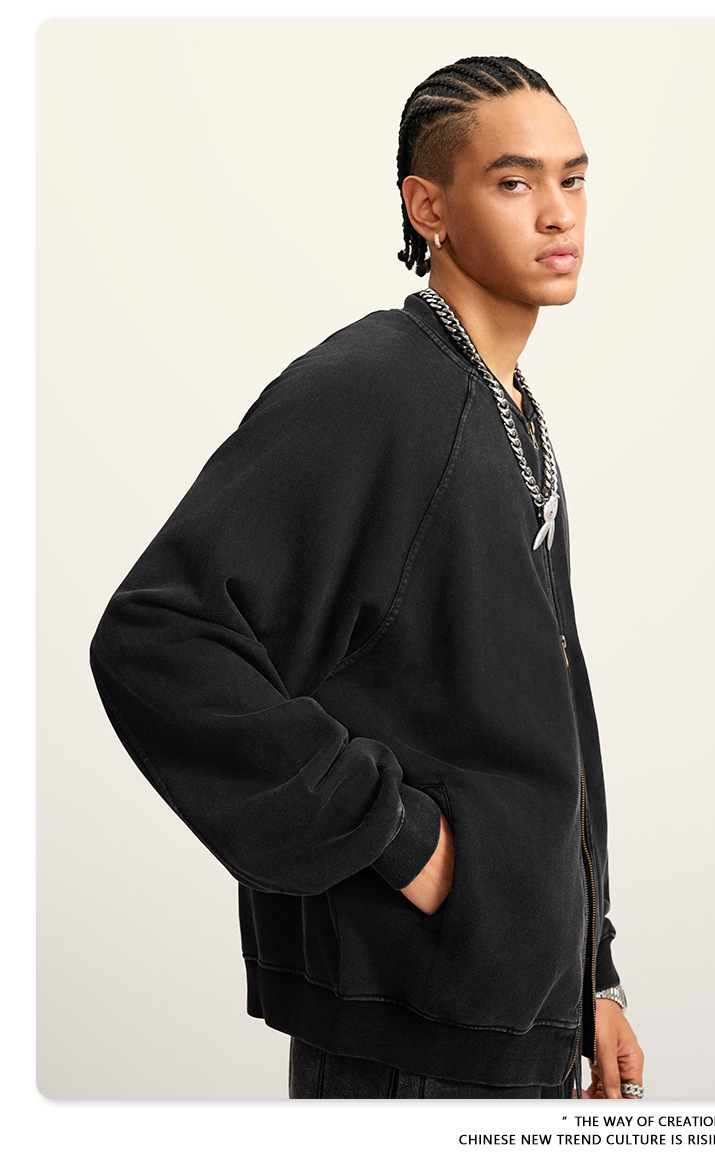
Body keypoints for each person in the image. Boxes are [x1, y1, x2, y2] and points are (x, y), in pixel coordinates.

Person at [89, 55, 644, 1100]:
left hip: (512, 1015)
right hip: (412, 1041)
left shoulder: (506, 407)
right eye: (514, 181)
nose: (558, 212)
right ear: (428, 206)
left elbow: (534, 719)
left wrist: (592, 974)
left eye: (574, 179)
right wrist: (400, 839)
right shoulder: (381, 389)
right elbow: (158, 636)